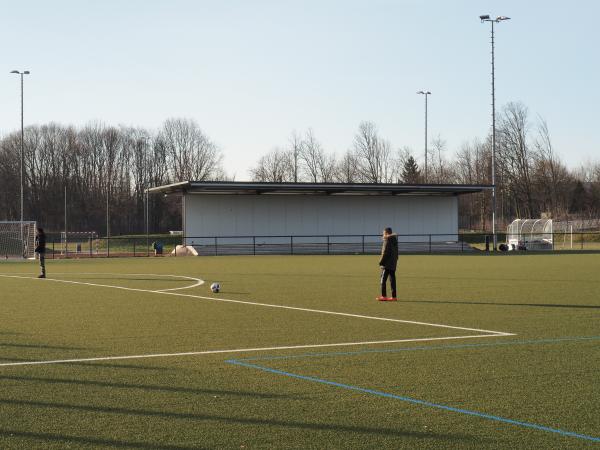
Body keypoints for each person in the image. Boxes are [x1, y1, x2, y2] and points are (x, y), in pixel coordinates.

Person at [377, 227, 398, 301]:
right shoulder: (394, 240)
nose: (383, 234)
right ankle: (394, 296)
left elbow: (385, 253)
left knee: (383, 279)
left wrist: (381, 262)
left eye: (383, 233)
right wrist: (395, 260)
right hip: (393, 262)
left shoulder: (387, 240)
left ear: (386, 233)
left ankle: (383, 296)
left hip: (387, 263)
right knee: (392, 280)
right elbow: (396, 252)